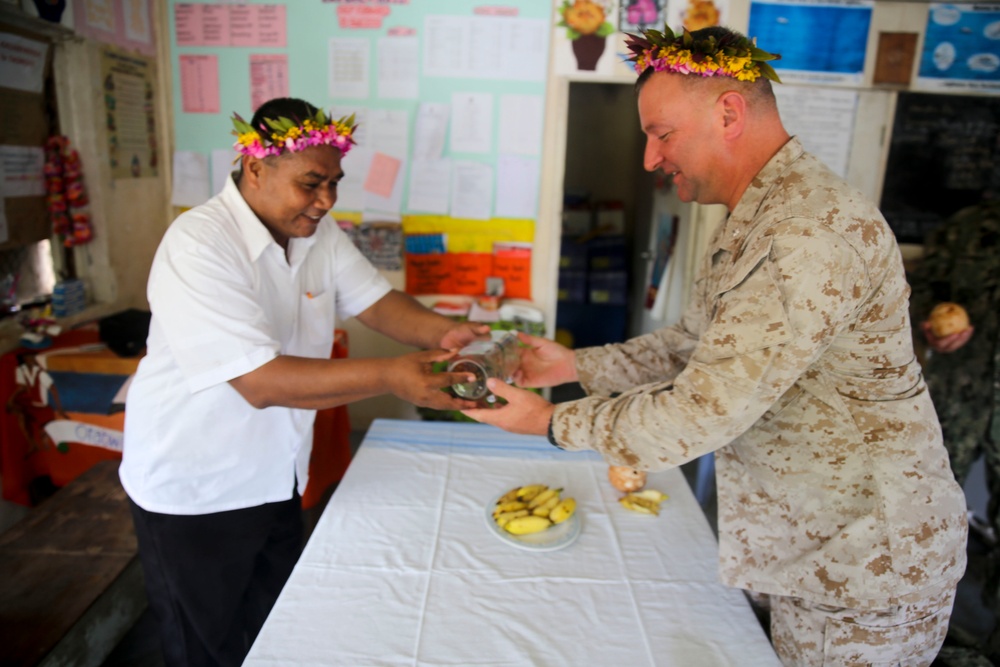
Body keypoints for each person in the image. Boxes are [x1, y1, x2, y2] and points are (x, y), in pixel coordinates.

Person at [465, 25, 969, 666]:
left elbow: (703, 410)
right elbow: (696, 345)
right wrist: (573, 364)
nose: (650, 159)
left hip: (867, 559)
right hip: (819, 540)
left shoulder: (803, 234)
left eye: (661, 134)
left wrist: (549, 422)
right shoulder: (759, 215)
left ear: (728, 113)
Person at [120, 97, 486, 667]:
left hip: (277, 474)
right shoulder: (199, 243)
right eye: (311, 183)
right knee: (205, 648)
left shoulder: (316, 232)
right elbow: (260, 382)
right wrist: (392, 375)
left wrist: (449, 333)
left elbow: (377, 302)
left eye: (334, 183)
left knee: (276, 630)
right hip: (196, 485)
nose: (326, 201)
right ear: (256, 167)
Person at [909, 197, 1000, 662]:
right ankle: (912, 637)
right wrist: (931, 322)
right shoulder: (968, 226)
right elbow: (922, 287)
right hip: (959, 399)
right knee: (924, 518)